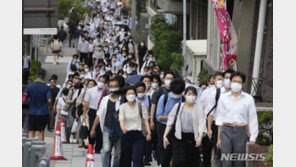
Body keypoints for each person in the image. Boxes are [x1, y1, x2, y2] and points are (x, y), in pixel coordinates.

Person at [215, 71, 259, 167]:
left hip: (241, 131)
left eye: (239, 82)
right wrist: (219, 138)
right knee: (226, 160)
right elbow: (219, 117)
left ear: (243, 84)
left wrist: (253, 137)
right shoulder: (223, 98)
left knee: (239, 160)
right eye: (234, 81)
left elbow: (252, 118)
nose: (236, 83)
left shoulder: (248, 99)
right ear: (230, 82)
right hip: (226, 130)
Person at [163, 86, 207, 167]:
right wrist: (165, 135)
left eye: (194, 95)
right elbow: (170, 121)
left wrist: (200, 137)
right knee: (179, 161)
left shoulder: (199, 108)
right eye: (189, 94)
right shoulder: (178, 106)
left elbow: (201, 123)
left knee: (192, 162)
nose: (191, 96)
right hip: (179, 137)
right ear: (185, 95)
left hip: (193, 138)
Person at [90, 78, 122, 167]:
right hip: (107, 127)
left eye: (115, 86)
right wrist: (93, 129)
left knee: (118, 153)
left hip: (119, 129)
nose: (113, 88)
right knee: (106, 150)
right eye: (111, 86)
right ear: (108, 88)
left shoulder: (122, 99)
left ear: (119, 87)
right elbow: (99, 114)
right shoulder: (105, 99)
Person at [156, 78, 186, 167]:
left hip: (180, 129)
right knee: (165, 154)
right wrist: (173, 117)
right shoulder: (164, 98)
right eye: (175, 93)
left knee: (179, 155)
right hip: (165, 128)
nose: (177, 95)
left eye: (179, 93)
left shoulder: (184, 99)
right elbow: (159, 117)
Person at [119, 86, 151, 167]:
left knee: (137, 158)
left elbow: (145, 120)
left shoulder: (141, 106)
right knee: (126, 159)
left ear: (135, 95)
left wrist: (149, 133)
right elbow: (121, 119)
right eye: (128, 93)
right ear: (125, 96)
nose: (131, 95)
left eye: (132, 93)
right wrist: (123, 128)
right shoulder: (123, 106)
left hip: (138, 135)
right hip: (126, 134)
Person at [197, 71, 224, 167]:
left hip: (221, 124)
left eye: (222, 80)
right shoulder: (207, 92)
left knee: (219, 149)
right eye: (219, 79)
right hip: (208, 122)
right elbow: (200, 106)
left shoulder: (226, 93)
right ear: (214, 80)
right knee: (206, 149)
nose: (221, 81)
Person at [150, 72, 174, 165]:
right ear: (163, 79)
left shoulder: (177, 91)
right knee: (161, 143)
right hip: (162, 123)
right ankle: (161, 162)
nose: (169, 80)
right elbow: (153, 106)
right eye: (167, 78)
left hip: (173, 124)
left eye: (171, 78)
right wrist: (152, 120)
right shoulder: (159, 92)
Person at [23, 68, 52, 141]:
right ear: (44, 76)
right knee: (41, 131)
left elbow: (23, 99)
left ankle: (30, 149)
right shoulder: (46, 87)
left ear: (36, 75)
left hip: (32, 112)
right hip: (43, 112)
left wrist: (29, 100)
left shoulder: (29, 86)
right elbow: (49, 100)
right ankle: (40, 150)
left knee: (31, 131)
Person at [83, 77, 107, 153]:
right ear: (97, 81)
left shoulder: (105, 91)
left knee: (99, 130)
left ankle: (98, 148)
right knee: (91, 129)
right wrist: (84, 112)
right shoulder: (90, 90)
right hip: (92, 111)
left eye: (103, 82)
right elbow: (86, 102)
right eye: (100, 81)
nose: (101, 83)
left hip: (101, 112)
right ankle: (91, 145)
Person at [135, 82, 153, 165]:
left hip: (146, 121)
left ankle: (147, 158)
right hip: (136, 121)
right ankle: (138, 157)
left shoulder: (149, 98)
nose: (140, 93)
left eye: (142, 91)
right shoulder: (134, 99)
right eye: (138, 91)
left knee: (147, 141)